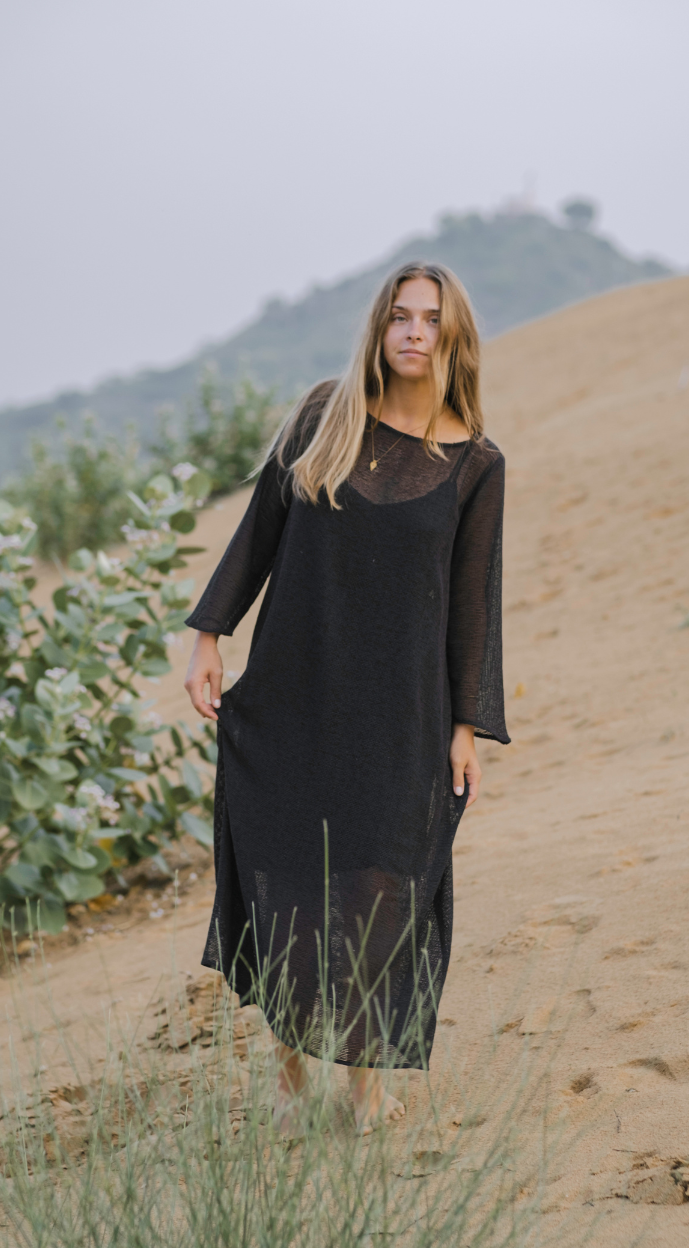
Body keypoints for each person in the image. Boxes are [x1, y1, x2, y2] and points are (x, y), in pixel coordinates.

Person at [183, 262, 509, 1136]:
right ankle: (294, 1088)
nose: (412, 331)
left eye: (429, 319)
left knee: (378, 895)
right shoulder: (324, 418)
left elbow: (473, 606)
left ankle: (365, 1096)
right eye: (398, 316)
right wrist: (208, 636)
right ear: (379, 327)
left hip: (399, 715)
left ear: (452, 336)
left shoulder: (474, 464)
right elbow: (257, 534)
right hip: (293, 699)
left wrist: (466, 729)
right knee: (289, 889)